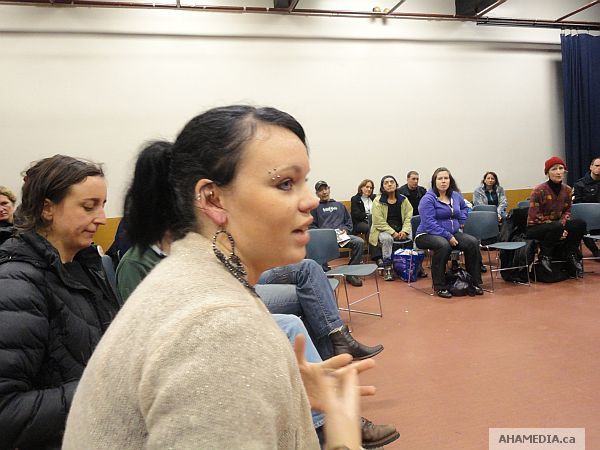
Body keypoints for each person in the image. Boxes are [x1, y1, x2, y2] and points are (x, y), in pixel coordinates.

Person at [63, 106, 371, 449]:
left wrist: (286, 396)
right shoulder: (219, 328)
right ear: (213, 198)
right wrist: (343, 433)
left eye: (304, 182)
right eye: (285, 183)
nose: (311, 200)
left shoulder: (196, 278)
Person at [116, 141, 384, 362]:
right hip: (222, 306)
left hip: (236, 284)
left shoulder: (194, 236)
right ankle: (329, 373)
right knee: (297, 315)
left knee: (309, 270)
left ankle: (337, 345)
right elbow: (153, 331)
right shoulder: (139, 261)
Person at [0, 155, 122, 449]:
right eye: (89, 206)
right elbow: (7, 412)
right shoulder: (17, 284)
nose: (101, 218)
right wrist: (107, 390)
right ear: (47, 208)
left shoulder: (83, 267)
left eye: (103, 205)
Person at [415, 167, 484, 299]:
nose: (443, 181)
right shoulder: (428, 199)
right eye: (440, 178)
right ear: (434, 181)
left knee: (472, 242)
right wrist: (448, 236)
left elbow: (465, 207)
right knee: (443, 245)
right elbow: (429, 223)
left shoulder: (455, 195)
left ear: (450, 180)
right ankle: (440, 286)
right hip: (426, 234)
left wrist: (462, 219)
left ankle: (474, 283)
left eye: (446, 178)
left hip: (452, 233)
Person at [526, 156, 586, 276]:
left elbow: (567, 211)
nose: (558, 172)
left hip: (558, 225)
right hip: (536, 227)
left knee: (580, 223)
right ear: (547, 173)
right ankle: (545, 256)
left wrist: (561, 226)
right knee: (556, 227)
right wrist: (559, 227)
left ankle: (571, 253)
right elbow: (535, 216)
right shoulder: (539, 190)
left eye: (561, 168)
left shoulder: (567, 190)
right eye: (554, 169)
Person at [311, 180, 364, 287]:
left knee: (359, 242)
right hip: (324, 239)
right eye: (321, 190)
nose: (324, 192)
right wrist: (323, 234)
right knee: (314, 245)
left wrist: (346, 230)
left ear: (329, 189)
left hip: (341, 236)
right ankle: (326, 272)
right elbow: (312, 227)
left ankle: (351, 273)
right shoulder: (314, 208)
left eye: (326, 189)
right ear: (317, 194)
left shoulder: (340, 205)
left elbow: (349, 222)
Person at [369, 175, 413, 281]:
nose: (389, 184)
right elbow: (378, 221)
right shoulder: (377, 201)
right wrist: (393, 233)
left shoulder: (403, 199)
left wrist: (405, 231)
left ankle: (412, 264)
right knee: (387, 239)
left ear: (396, 185)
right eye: (386, 183)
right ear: (382, 187)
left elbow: (409, 216)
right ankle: (387, 267)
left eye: (392, 182)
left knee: (413, 236)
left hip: (401, 228)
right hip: (383, 229)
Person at [573, 156, 600, 257]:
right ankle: (596, 251)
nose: (599, 168)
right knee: (581, 225)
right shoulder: (580, 184)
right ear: (591, 167)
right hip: (587, 220)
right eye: (597, 165)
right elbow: (578, 207)